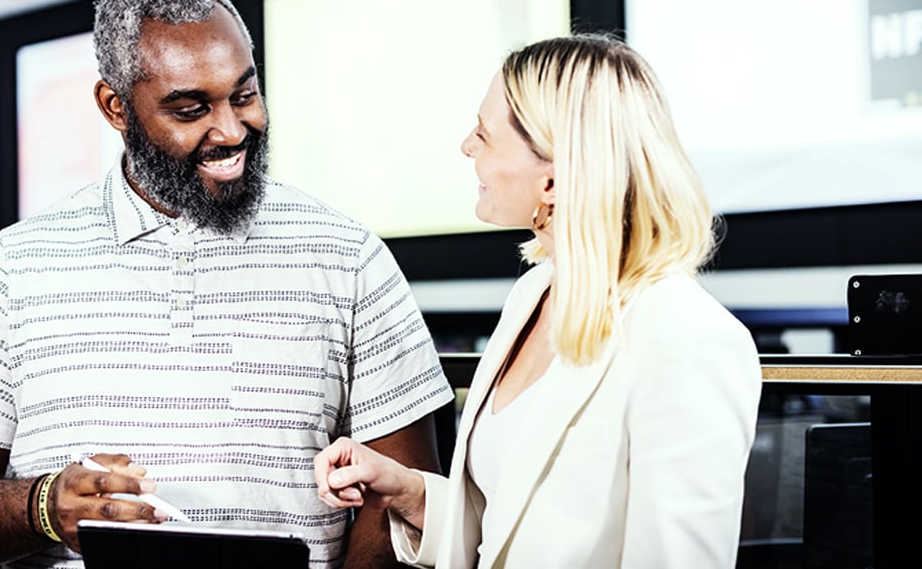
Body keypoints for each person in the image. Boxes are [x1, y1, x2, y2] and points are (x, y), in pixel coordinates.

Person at [0, 0, 454, 569]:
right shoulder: (16, 265)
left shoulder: (348, 256)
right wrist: (41, 507)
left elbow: (402, 493)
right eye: (191, 109)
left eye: (244, 94)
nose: (232, 130)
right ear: (116, 107)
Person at [313, 34, 763, 568]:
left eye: (484, 134)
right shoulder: (533, 294)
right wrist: (405, 490)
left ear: (551, 178)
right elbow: (507, 523)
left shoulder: (687, 337)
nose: (466, 146)